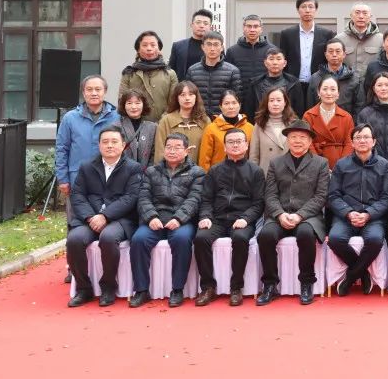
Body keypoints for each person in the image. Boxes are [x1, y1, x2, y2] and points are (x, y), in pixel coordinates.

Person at [66, 126, 143, 307]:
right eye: (105, 142)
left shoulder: (133, 168)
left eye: (114, 142)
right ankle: (84, 289)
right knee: (74, 239)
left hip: (119, 219)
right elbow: (77, 195)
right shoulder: (86, 167)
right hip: (90, 217)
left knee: (108, 238)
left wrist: (105, 216)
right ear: (99, 145)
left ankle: (108, 286)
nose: (109, 146)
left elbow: (131, 198)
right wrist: (90, 217)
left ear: (123, 145)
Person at [257, 120, 331, 306]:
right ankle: (270, 285)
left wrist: (300, 215)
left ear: (310, 141)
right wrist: (280, 214)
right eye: (293, 137)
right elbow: (270, 194)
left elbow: (321, 196)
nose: (298, 141)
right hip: (280, 214)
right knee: (266, 235)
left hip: (308, 217)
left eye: (302, 137)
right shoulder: (276, 163)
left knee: (305, 234)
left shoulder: (321, 163)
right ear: (287, 140)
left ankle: (307, 282)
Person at [129, 133, 205, 308]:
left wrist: (179, 218)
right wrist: (151, 217)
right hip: (155, 219)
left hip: (181, 220)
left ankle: (177, 289)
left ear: (186, 151)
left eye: (177, 147)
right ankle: (141, 290)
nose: (172, 151)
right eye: (169, 147)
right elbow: (143, 197)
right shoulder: (151, 171)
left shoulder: (197, 173)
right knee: (138, 240)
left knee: (181, 239)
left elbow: (194, 199)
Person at [192, 128, 265, 307]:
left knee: (240, 238)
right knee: (201, 238)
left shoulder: (256, 171)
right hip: (217, 219)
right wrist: (206, 216)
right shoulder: (215, 170)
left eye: (239, 141)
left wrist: (246, 219)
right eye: (230, 142)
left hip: (241, 219)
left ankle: (236, 287)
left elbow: (259, 203)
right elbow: (206, 199)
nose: (235, 145)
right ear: (224, 147)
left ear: (246, 145)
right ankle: (208, 287)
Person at [326, 124, 388, 296]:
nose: (362, 141)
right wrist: (348, 213)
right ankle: (363, 273)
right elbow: (333, 196)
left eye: (366, 137)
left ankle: (350, 277)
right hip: (346, 216)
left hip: (373, 217)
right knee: (335, 239)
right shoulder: (341, 164)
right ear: (352, 142)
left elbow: (386, 198)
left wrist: (368, 214)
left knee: (375, 239)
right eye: (358, 138)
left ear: (374, 141)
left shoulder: (384, 165)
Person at [56, 75, 120, 207]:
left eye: (98, 89)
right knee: (77, 215)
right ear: (83, 92)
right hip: (77, 176)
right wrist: (62, 178)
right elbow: (62, 148)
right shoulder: (70, 118)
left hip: (110, 177)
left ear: (105, 91)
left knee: (106, 214)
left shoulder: (117, 117)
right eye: (89, 89)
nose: (94, 93)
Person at [278, 0, 336, 97]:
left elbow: (329, 60)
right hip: (293, 84)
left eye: (311, 7)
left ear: (316, 10)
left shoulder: (327, 34)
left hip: (318, 84)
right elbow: (282, 59)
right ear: (298, 10)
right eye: (303, 7)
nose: (307, 10)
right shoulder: (287, 34)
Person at [119, 30, 178, 122]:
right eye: (145, 45)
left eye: (153, 45)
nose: (149, 48)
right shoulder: (129, 73)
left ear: (159, 49)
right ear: (138, 50)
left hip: (163, 125)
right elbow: (122, 101)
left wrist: (161, 122)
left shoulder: (170, 73)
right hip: (136, 125)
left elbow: (174, 103)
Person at [225, 14, 273, 117]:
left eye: (255, 26)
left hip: (265, 100)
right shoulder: (232, 51)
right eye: (249, 26)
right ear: (243, 28)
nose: (252, 30)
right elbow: (227, 77)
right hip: (240, 101)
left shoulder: (271, 50)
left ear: (261, 29)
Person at [187, 30, 243, 118]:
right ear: (202, 47)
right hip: (199, 118)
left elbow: (237, 99)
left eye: (216, 44)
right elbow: (188, 96)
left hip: (223, 119)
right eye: (209, 44)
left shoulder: (232, 71)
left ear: (222, 47)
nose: (212, 48)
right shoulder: (192, 71)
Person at [302, 75, 354, 169]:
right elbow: (307, 142)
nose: (329, 93)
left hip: (340, 166)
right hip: (315, 165)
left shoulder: (346, 117)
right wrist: (318, 165)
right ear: (318, 92)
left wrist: (340, 166)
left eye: (333, 89)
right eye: (325, 89)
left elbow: (349, 144)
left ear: (338, 94)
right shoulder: (309, 116)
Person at [154, 81, 210, 163]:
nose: (187, 98)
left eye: (191, 94)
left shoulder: (205, 121)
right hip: (171, 169)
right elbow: (160, 151)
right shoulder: (166, 121)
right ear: (177, 98)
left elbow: (209, 150)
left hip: (198, 169)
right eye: (182, 95)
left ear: (196, 97)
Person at [197, 90, 253, 171]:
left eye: (234, 103)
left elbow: (253, 155)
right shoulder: (211, 129)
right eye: (226, 103)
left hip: (244, 174)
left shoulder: (250, 128)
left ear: (240, 105)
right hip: (218, 174)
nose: (231, 107)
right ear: (220, 107)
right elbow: (204, 159)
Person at [307, 38, 362, 114]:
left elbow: (359, 105)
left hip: (346, 120)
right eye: (331, 51)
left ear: (344, 54)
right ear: (325, 55)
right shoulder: (315, 78)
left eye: (338, 51)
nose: (334, 54)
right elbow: (310, 106)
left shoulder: (354, 78)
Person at [249, 85, 298, 169]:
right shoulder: (260, 124)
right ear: (267, 103)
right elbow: (254, 156)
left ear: (285, 102)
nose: (275, 104)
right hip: (266, 172)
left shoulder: (294, 124)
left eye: (279, 100)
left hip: (289, 172)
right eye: (271, 100)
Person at [252, 47, 306, 116]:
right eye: (271, 59)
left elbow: (299, 110)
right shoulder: (255, 83)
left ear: (285, 63)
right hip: (262, 120)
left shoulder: (294, 83)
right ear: (265, 63)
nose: (275, 62)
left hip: (287, 120)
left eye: (278, 59)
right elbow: (250, 110)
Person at [336, 2, 382, 80]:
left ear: (370, 17)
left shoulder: (381, 39)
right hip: (346, 83)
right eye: (357, 13)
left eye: (365, 13)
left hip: (372, 84)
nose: (361, 16)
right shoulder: (339, 39)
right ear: (351, 16)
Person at [169, 8, 213, 81]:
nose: (201, 26)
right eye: (198, 22)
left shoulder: (216, 47)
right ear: (191, 25)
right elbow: (171, 71)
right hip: (184, 86)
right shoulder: (178, 46)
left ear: (210, 27)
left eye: (205, 23)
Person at [118, 88, 157, 167]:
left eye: (137, 103)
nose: (133, 107)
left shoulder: (152, 127)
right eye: (129, 103)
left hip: (146, 172)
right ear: (124, 106)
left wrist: (149, 171)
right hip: (123, 171)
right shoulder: (116, 127)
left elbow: (154, 153)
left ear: (143, 105)